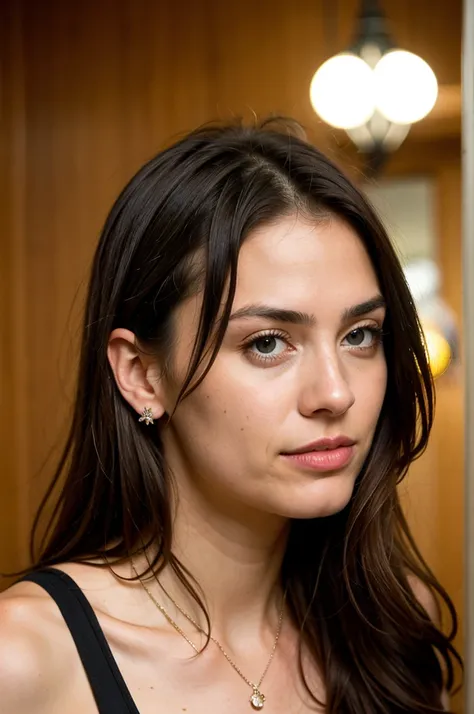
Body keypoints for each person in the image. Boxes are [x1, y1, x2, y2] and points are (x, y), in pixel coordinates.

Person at [0, 118, 461, 713]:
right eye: (268, 342)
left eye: (360, 335)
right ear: (142, 374)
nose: (335, 392)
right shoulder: (25, 661)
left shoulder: (396, 632)